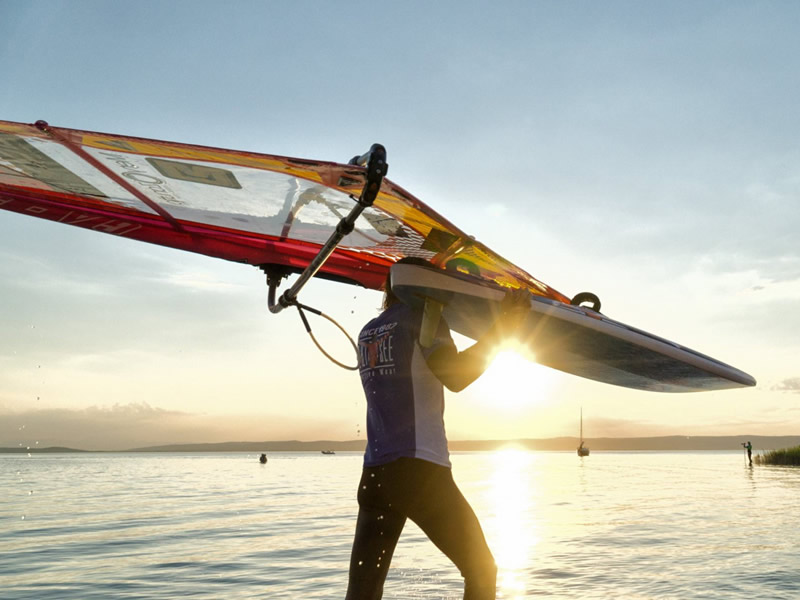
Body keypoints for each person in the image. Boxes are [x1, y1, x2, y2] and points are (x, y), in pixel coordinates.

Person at [346, 257, 529, 600]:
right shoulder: (423, 316)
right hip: (419, 471)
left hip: (374, 476)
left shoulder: (368, 330)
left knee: (363, 591)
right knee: (481, 569)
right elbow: (456, 376)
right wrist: (505, 327)